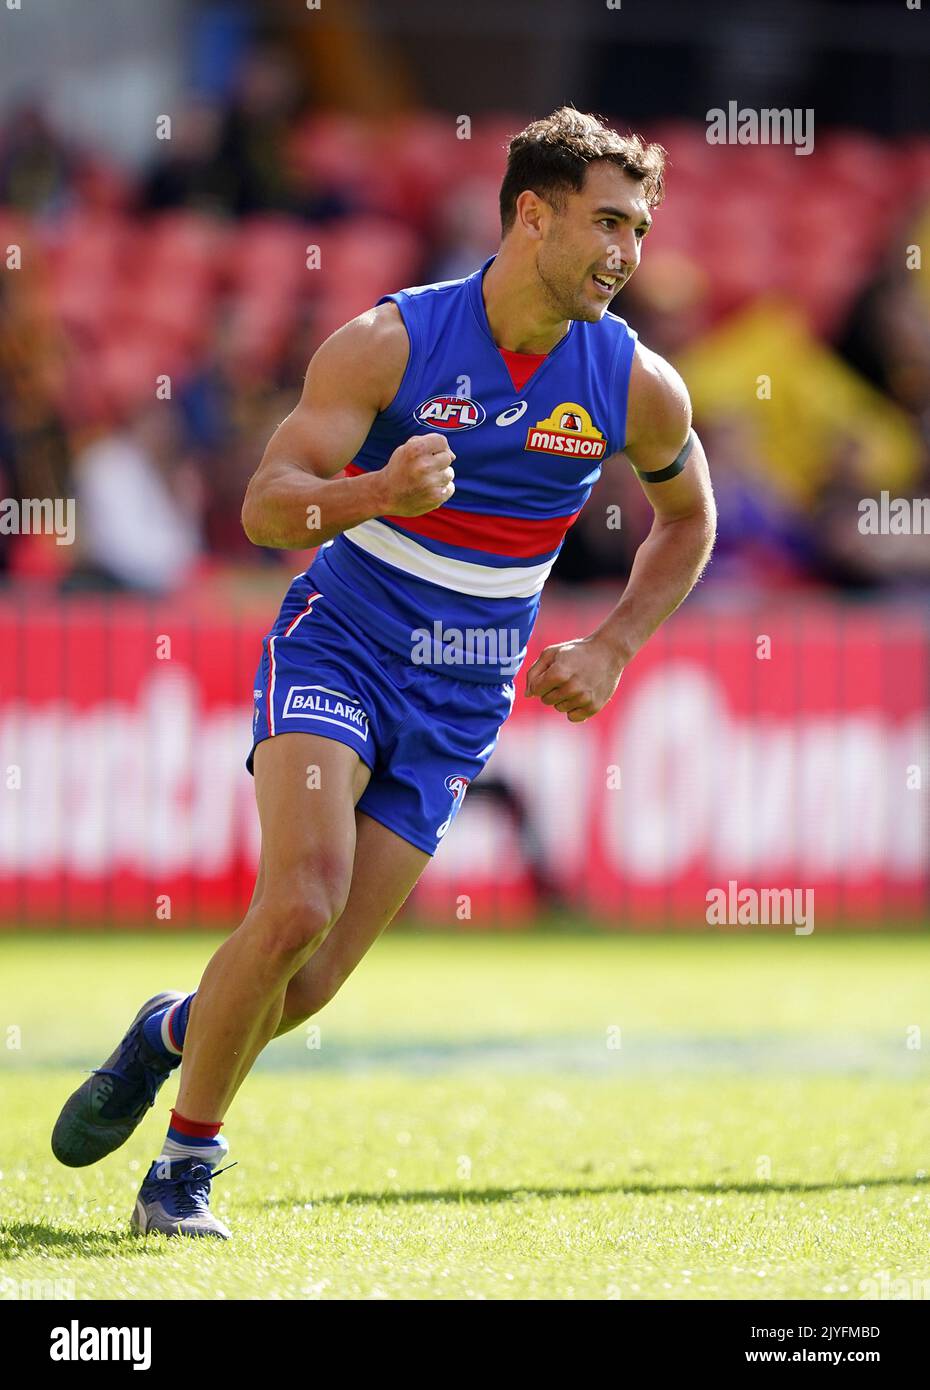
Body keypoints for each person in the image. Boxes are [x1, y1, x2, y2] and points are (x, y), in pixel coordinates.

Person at [51, 107, 716, 1238]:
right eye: (607, 220)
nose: (626, 251)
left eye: (640, 228)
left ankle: (168, 1030)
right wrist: (373, 494)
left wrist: (612, 643)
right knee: (296, 901)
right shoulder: (390, 341)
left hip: (463, 698)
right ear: (530, 213)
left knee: (301, 987)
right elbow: (266, 507)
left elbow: (687, 519)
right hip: (341, 644)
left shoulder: (636, 380)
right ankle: (183, 1172)